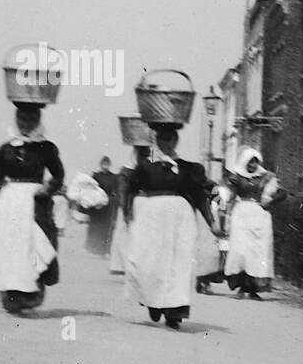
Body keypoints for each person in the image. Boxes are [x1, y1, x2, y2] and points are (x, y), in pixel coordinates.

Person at [123, 124, 216, 329]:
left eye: (170, 139)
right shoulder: (146, 166)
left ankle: (175, 311)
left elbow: (199, 196)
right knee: (151, 260)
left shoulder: (189, 168)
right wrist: (128, 214)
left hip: (180, 219)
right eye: (162, 139)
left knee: (180, 262)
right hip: (152, 218)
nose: (166, 143)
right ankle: (154, 302)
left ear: (176, 141)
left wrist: (211, 222)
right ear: (157, 141)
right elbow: (130, 190)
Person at [0, 102, 64, 314]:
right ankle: (10, 295)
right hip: (9, 202)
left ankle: (32, 292)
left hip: (34, 202)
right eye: (22, 120)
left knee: (34, 245)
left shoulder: (46, 148)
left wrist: (48, 189)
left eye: (31, 120)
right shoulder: (5, 150)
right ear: (16, 119)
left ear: (38, 121)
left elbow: (58, 175)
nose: (26, 125)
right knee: (10, 247)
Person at [223, 147, 283, 300]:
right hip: (241, 214)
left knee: (257, 253)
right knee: (241, 251)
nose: (252, 165)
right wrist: (227, 217)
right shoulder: (237, 177)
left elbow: (282, 193)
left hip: (259, 215)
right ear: (244, 162)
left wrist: (270, 201)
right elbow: (230, 197)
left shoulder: (266, 177)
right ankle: (241, 287)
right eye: (250, 162)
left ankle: (253, 290)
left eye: (255, 162)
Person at [108, 146, 148, 275]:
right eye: (142, 154)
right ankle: (123, 265)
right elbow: (122, 191)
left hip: (140, 205)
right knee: (124, 235)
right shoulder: (128, 170)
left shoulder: (143, 168)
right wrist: (125, 208)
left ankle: (125, 265)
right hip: (130, 204)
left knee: (130, 235)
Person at [83, 156, 117, 257]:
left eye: (107, 164)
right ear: (101, 164)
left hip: (107, 205)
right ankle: (92, 248)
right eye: (103, 163)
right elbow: (90, 189)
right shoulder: (96, 176)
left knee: (106, 228)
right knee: (94, 226)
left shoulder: (113, 177)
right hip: (96, 205)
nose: (105, 166)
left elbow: (115, 191)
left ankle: (104, 250)